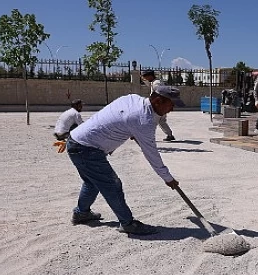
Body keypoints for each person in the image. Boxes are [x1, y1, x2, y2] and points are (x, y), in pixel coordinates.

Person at [66, 86, 183, 235]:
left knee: (92, 182)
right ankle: (128, 223)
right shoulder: (143, 120)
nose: (172, 109)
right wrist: (167, 178)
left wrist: (131, 130)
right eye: (171, 104)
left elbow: (120, 116)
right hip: (87, 148)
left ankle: (81, 213)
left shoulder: (134, 98)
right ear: (158, 101)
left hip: (77, 140)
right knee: (112, 185)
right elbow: (151, 153)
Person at [141, 70, 176, 141]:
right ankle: (169, 135)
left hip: (158, 106)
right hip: (163, 106)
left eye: (146, 77)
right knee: (162, 121)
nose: (146, 79)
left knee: (151, 122)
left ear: (150, 76)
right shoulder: (156, 82)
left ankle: (149, 137)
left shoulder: (156, 83)